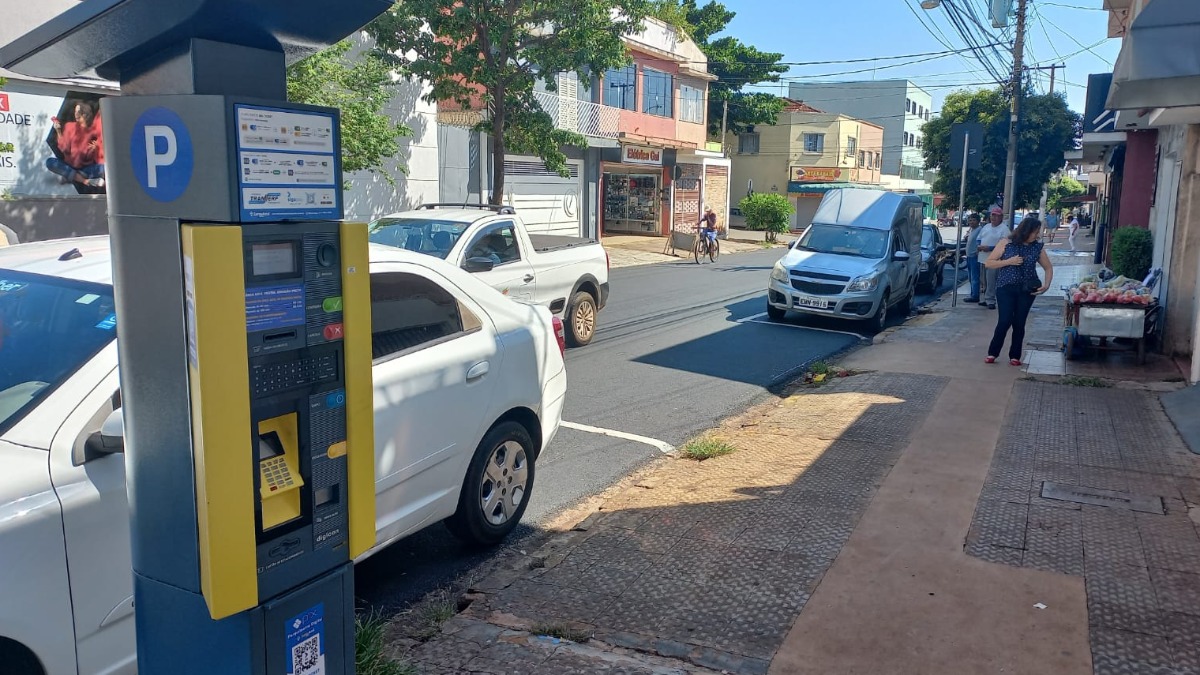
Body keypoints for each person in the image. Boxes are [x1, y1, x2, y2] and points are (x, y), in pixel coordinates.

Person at [983, 216, 1054, 366]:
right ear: (1025, 231)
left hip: (1027, 290)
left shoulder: (1037, 247)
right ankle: (993, 352)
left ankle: (1015, 355)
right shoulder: (1006, 243)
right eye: (1035, 232)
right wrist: (1009, 261)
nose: (1037, 235)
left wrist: (1047, 285)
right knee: (1004, 320)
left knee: (1019, 322)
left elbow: (1048, 267)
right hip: (1005, 288)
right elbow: (989, 263)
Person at [45, 100, 106, 189]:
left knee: (105, 168)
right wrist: (58, 131)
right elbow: (64, 148)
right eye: (75, 111)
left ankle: (73, 177)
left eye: (78, 111)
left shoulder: (92, 132)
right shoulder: (70, 126)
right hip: (69, 165)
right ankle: (85, 181)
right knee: (50, 162)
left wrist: (95, 148)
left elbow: (92, 158)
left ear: (85, 114)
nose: (76, 114)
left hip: (85, 169)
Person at [976, 206, 1011, 309]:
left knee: (992, 280)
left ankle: (991, 300)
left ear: (1001, 217)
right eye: (992, 215)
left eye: (997, 216)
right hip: (983, 257)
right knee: (984, 280)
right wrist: (979, 246)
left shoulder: (1004, 229)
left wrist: (990, 248)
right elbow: (979, 238)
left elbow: (1006, 245)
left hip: (995, 260)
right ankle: (985, 299)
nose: (994, 217)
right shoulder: (986, 227)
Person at [964, 213, 983, 303]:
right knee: (971, 277)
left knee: (974, 277)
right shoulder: (971, 230)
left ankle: (975, 296)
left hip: (975, 257)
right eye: (970, 220)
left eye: (973, 220)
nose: (971, 222)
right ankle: (973, 294)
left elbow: (981, 242)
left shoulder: (980, 230)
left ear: (978, 221)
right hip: (969, 256)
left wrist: (977, 251)